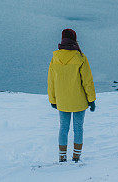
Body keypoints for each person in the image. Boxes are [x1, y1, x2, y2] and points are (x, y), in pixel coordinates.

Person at [47, 28, 96, 163]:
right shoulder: (80, 57)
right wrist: (91, 100)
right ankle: (76, 156)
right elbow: (87, 81)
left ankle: (62, 157)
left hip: (62, 101)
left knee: (63, 128)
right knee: (78, 128)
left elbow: (51, 81)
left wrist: (52, 99)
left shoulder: (55, 58)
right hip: (79, 101)